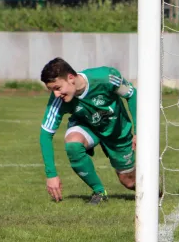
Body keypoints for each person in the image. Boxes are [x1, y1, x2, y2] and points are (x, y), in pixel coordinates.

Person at [39, 57, 137, 204]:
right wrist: (51, 175)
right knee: (72, 144)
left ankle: (155, 188)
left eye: (57, 88)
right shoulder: (58, 100)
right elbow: (45, 134)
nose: (56, 94)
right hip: (87, 126)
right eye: (52, 90)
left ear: (71, 78)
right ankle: (99, 191)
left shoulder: (106, 77)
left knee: (129, 182)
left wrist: (139, 132)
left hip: (116, 129)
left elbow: (132, 95)